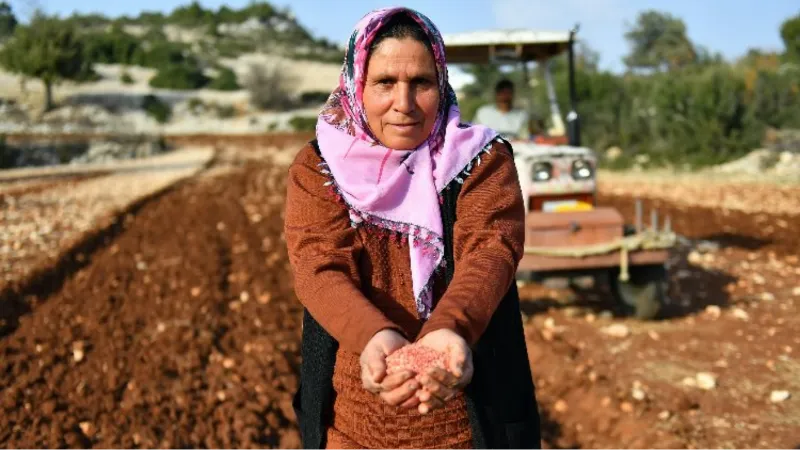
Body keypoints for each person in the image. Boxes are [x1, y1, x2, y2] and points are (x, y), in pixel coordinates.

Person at [284, 7, 540, 450]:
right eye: (385, 82)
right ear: (357, 85)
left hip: (466, 426)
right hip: (352, 429)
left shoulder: (481, 159)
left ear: (441, 85)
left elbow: (490, 250)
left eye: (420, 83)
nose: (403, 104)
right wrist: (375, 337)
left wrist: (449, 331)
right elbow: (319, 265)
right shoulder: (319, 167)